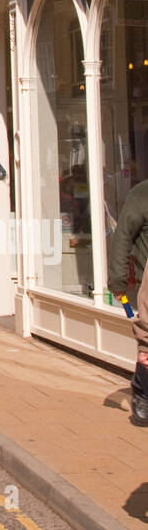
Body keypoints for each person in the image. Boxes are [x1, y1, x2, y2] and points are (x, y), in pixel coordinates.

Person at [108, 179, 148, 425]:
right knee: (147, 342)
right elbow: (122, 237)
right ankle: (143, 393)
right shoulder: (141, 194)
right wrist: (118, 280)